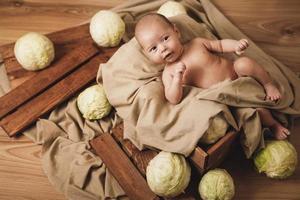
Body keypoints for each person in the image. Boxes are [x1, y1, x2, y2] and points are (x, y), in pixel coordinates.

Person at [134, 13, 289, 140]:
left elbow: (220, 45)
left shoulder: (197, 44)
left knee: (244, 63)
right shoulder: (169, 73)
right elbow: (173, 98)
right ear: (147, 55)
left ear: (176, 31)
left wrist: (235, 46)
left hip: (236, 74)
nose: (163, 48)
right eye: (153, 48)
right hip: (226, 96)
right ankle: (273, 125)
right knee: (258, 113)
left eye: (165, 38)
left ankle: (268, 84)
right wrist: (177, 78)